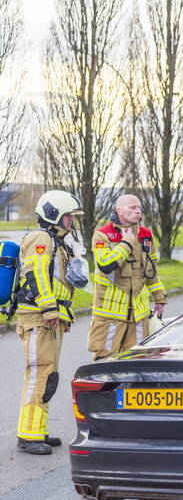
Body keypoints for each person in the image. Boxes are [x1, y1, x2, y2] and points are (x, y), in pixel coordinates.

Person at [14, 191, 85, 455]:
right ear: (53, 214)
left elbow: (60, 282)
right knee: (39, 373)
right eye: (68, 215)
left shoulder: (57, 242)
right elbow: (37, 276)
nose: (71, 220)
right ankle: (27, 436)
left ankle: (37, 430)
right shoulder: (41, 238)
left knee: (48, 376)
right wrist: (49, 309)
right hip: (37, 317)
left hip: (50, 318)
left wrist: (64, 314)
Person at [87, 194, 167, 360]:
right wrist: (127, 243)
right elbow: (106, 264)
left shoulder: (146, 235)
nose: (138, 211)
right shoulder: (103, 235)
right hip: (110, 316)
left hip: (138, 315)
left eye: (139, 208)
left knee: (136, 361)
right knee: (106, 361)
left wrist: (159, 298)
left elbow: (151, 271)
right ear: (119, 210)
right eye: (132, 207)